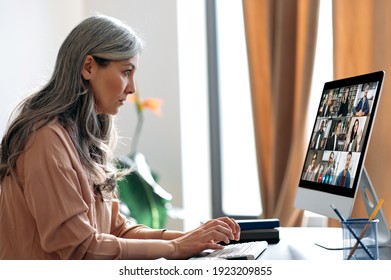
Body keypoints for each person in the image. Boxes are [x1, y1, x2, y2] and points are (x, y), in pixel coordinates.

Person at [0, 15, 240, 260]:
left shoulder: (83, 137)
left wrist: (190, 237)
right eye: (126, 72)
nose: (132, 88)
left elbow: (117, 230)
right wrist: (176, 248)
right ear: (88, 67)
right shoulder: (45, 140)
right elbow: (79, 248)